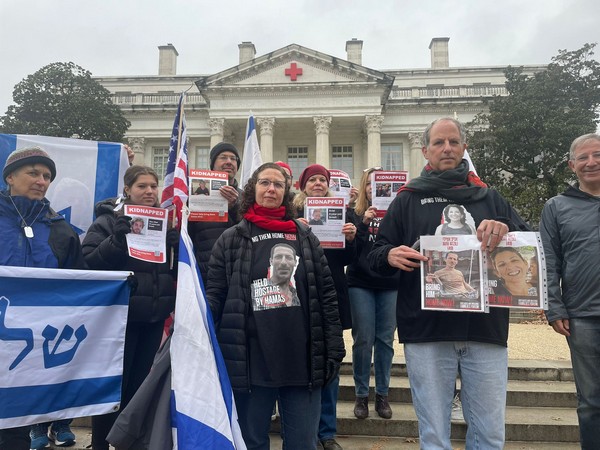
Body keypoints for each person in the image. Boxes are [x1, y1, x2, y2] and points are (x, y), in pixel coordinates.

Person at [368, 117, 528, 449]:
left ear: (464, 148)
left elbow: (528, 247)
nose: (447, 148)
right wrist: (388, 256)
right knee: (434, 433)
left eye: (454, 142)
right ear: (425, 149)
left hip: (485, 331)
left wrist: (505, 231)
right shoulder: (408, 199)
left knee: (489, 433)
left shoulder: (489, 197)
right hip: (427, 331)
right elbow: (375, 253)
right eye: (439, 142)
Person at [206, 162, 345, 450]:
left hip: (302, 361)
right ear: (252, 189)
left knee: (303, 443)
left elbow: (327, 295)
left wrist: (334, 347)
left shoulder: (306, 237)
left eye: (278, 184)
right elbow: (215, 296)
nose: (271, 189)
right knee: (252, 441)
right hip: (251, 362)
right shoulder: (231, 239)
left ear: (287, 192)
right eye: (264, 183)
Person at [82, 165, 177, 450]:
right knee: (113, 389)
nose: (149, 191)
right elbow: (89, 261)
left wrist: (176, 250)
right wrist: (116, 240)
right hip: (119, 320)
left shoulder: (163, 221)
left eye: (153, 186)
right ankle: (100, 444)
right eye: (142, 186)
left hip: (152, 318)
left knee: (137, 389)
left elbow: (167, 273)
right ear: (127, 189)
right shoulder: (109, 220)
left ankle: (128, 444)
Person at [0, 146, 84, 450]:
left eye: (47, 176)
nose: (41, 180)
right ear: (10, 176)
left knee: (14, 433)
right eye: (33, 172)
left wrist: (119, 290)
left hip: (30, 353)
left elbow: (80, 285)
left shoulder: (61, 230)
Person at [540, 133, 600, 449]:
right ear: (571, 165)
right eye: (583, 157)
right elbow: (549, 261)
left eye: (597, 155)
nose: (591, 162)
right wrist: (555, 306)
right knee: (590, 400)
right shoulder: (557, 207)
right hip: (583, 317)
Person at [293, 163, 356, 450]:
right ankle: (301, 428)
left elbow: (350, 260)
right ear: (303, 185)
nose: (318, 183)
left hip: (331, 295)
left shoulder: (343, 212)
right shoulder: (292, 214)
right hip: (299, 296)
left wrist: (351, 238)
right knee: (298, 363)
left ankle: (326, 432)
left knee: (331, 364)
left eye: (322, 180)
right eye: (312, 180)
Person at [346, 167, 398, 421]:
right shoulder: (354, 214)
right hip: (360, 282)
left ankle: (383, 394)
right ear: (365, 187)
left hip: (390, 282)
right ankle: (361, 395)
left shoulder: (397, 214)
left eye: (379, 184)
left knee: (386, 340)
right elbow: (350, 253)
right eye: (370, 184)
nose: (373, 189)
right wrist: (363, 225)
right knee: (363, 339)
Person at [189, 142, 242, 283]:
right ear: (212, 164)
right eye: (223, 157)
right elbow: (189, 236)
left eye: (233, 158)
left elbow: (251, 231)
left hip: (238, 269)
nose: (229, 162)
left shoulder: (246, 197)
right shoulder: (194, 195)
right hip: (205, 270)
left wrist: (233, 208)